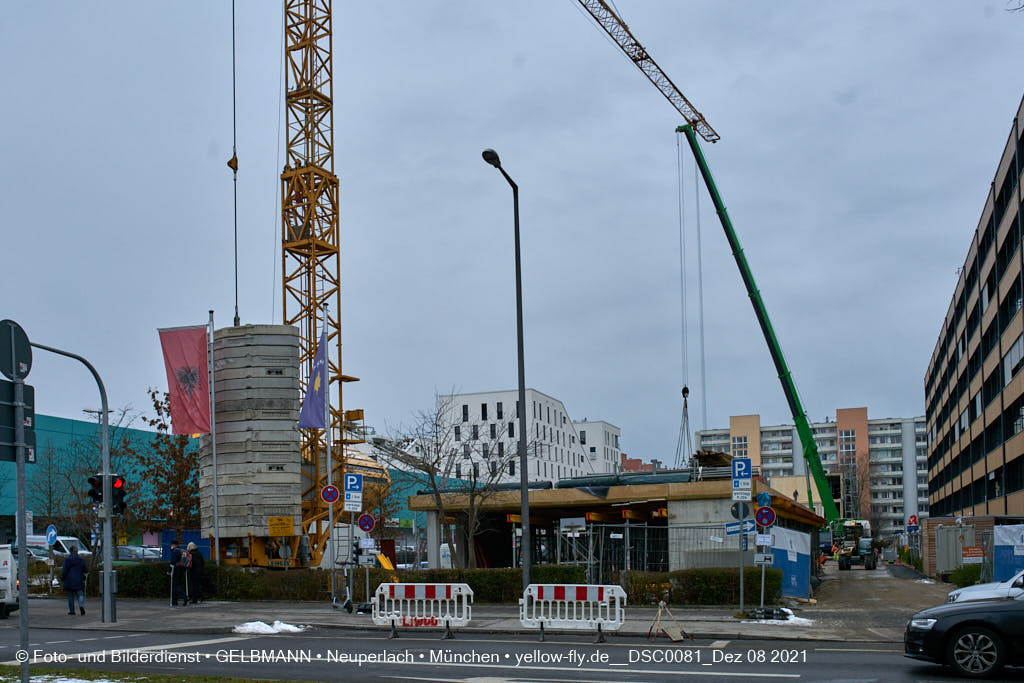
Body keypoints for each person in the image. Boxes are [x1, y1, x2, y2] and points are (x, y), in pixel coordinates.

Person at [61, 546, 87, 616]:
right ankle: (81, 605)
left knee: (70, 596)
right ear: (76, 551)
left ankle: (72, 611)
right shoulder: (81, 560)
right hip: (79, 580)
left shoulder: (68, 560)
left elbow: (64, 571)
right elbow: (85, 570)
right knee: (80, 594)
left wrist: (63, 578)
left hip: (69, 580)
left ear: (70, 551)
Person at [168, 539, 188, 607]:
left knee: (175, 586)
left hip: (176, 569)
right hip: (182, 569)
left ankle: (185, 597)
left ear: (173, 545)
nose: (171, 546)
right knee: (177, 585)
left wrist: (169, 571)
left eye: (171, 545)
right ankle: (174, 601)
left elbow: (172, 562)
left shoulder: (175, 551)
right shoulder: (181, 551)